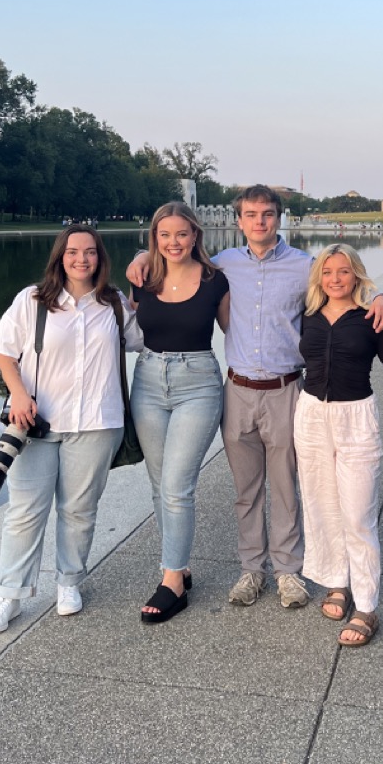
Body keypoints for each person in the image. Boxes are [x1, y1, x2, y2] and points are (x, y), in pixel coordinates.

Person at [127, 185, 383, 610]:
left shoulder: (306, 266)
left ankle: (288, 570)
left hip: (286, 389)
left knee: (287, 485)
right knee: (246, 488)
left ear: (278, 218)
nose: (259, 222)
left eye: (267, 214)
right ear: (239, 221)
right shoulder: (222, 265)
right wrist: (141, 257)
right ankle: (252, 569)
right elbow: (172, 259)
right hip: (237, 389)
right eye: (250, 215)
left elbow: (348, 284)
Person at [0, 227, 140, 634]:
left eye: (89, 252)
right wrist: (17, 394)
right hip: (36, 423)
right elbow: (4, 355)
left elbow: (143, 339)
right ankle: (10, 595)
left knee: (79, 510)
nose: (81, 259)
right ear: (60, 257)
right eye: (73, 252)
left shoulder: (114, 304)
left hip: (96, 424)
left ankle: (68, 582)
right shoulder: (33, 300)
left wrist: (143, 262)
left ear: (100, 258)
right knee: (25, 511)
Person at [295, 245, 383, 647]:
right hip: (311, 415)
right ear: (319, 277)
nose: (335, 279)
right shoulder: (306, 316)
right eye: (328, 272)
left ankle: (367, 604)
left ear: (356, 274)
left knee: (358, 513)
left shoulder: (372, 317)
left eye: (343, 271)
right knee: (322, 504)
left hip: (356, 417)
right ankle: (336, 581)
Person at [130, 202, 230, 624]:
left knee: (176, 484)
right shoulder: (142, 278)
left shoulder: (215, 280)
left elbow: (238, 335)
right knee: (158, 485)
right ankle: (179, 566)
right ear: (154, 238)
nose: (173, 242)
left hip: (198, 382)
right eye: (164, 235)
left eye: (182, 234)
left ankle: (171, 581)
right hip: (148, 381)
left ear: (195, 236)